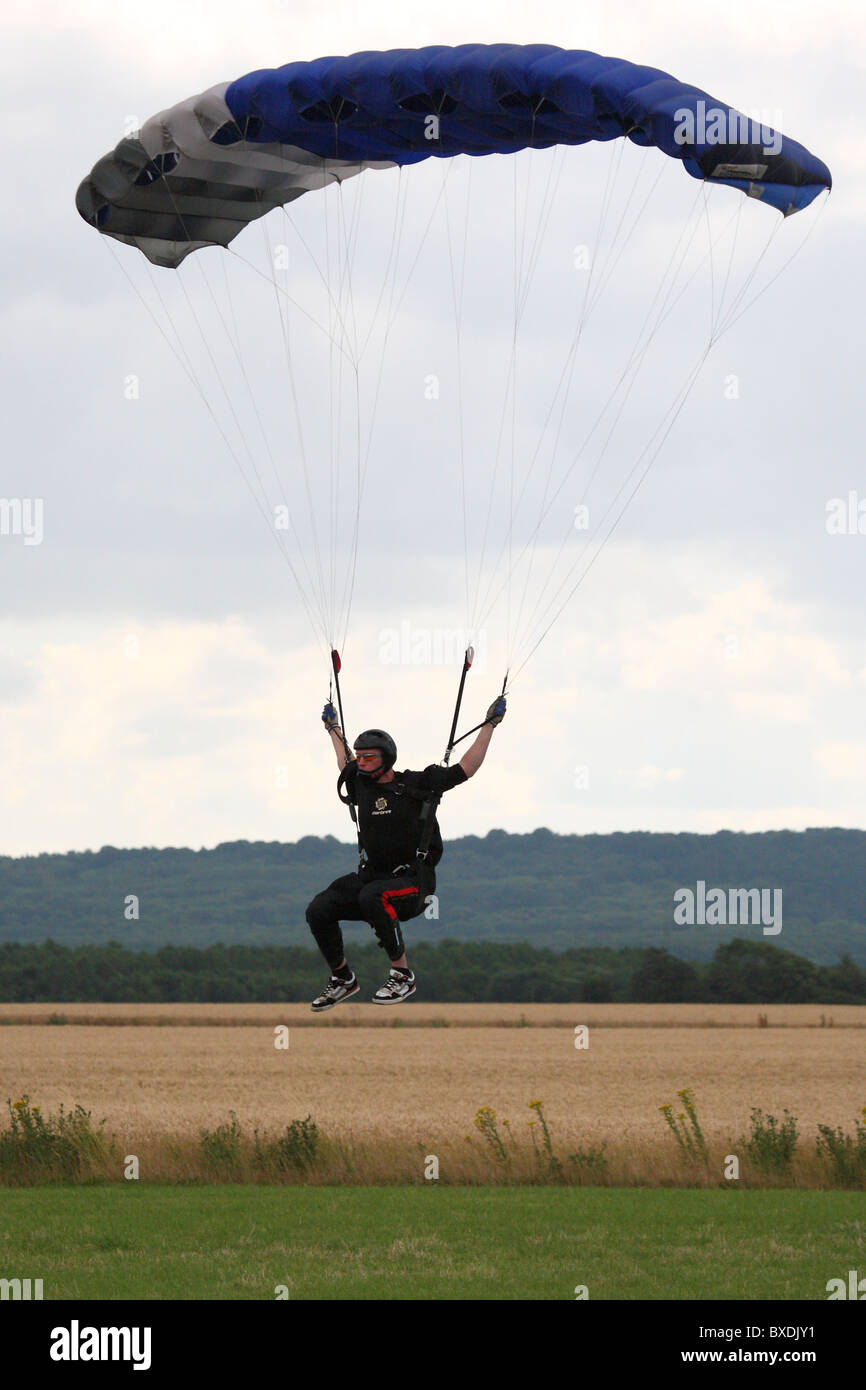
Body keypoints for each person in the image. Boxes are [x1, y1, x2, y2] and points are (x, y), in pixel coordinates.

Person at [305, 696, 506, 1011]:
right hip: (373, 876)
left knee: (373, 896)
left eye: (368, 757)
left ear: (386, 759)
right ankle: (343, 978)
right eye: (360, 757)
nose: (361, 762)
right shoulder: (361, 785)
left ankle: (402, 974)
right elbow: (344, 762)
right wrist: (333, 729)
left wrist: (489, 725)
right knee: (319, 908)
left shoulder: (418, 783)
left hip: (414, 883)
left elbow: (466, 769)